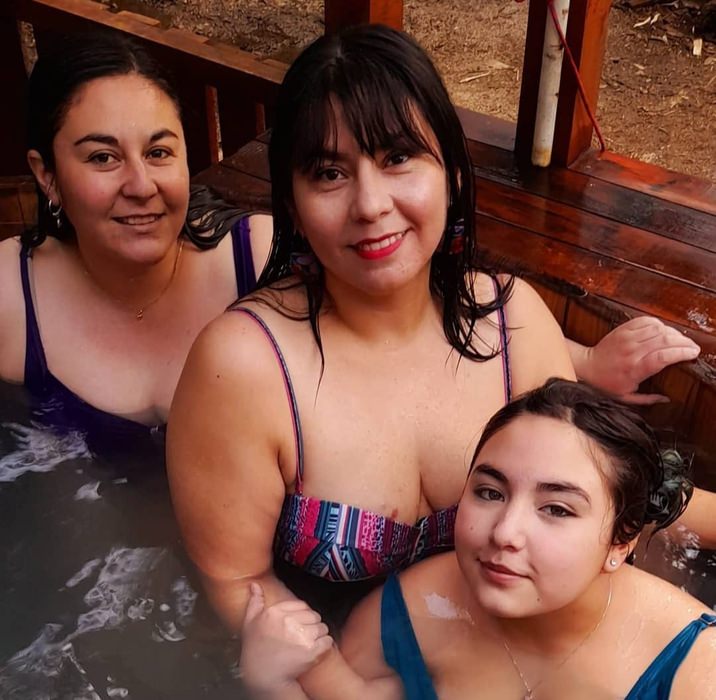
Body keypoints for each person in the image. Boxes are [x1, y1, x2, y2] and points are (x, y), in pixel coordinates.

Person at [166, 24, 702, 697]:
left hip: (500, 659)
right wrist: (339, 688)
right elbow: (238, 581)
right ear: (293, 206)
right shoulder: (244, 366)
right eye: (329, 173)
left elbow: (603, 497)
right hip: (345, 665)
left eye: (397, 158)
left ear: (450, 173)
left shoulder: (511, 323)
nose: (370, 205)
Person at [241, 379, 716, 700]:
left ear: (621, 542)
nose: (504, 532)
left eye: (556, 509)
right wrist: (271, 682)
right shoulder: (408, 617)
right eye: (490, 492)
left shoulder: (692, 665)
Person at [0, 32, 272, 456]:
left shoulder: (259, 262)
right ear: (46, 175)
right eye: (102, 157)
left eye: (158, 152)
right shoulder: (12, 296)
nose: (141, 186)